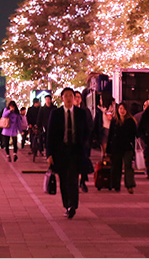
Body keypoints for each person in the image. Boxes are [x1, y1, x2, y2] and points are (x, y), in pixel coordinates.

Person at [46, 87, 90, 219]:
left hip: (76, 151)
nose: (69, 98)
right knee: (64, 179)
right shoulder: (56, 114)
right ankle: (67, 204)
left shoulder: (81, 113)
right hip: (61, 151)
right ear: (62, 98)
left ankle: (73, 205)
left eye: (72, 96)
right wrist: (49, 154)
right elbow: (50, 135)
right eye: (67, 96)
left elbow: (87, 131)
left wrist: (84, 145)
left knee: (73, 178)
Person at [107, 101, 137, 194]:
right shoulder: (114, 121)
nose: (122, 111)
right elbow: (110, 135)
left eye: (124, 109)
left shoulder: (131, 121)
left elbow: (134, 135)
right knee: (116, 166)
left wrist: (134, 149)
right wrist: (108, 150)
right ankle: (116, 185)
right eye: (120, 109)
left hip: (127, 147)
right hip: (116, 147)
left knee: (128, 166)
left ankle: (129, 185)